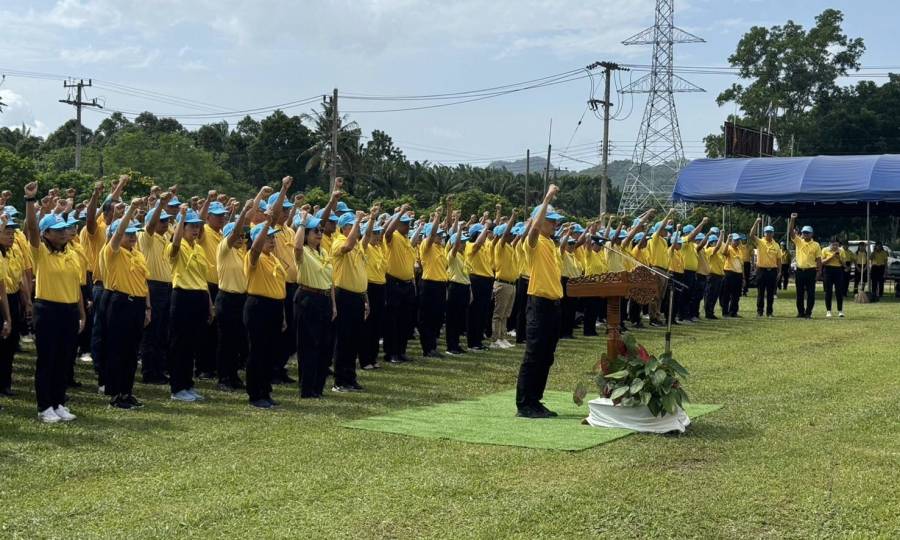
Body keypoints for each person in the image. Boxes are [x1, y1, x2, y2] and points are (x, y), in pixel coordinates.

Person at [24, 181, 85, 423]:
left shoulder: (70, 253)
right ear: (46, 234)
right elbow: (30, 228)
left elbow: (76, 287)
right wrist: (30, 200)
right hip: (48, 309)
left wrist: (81, 313)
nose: (63, 233)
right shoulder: (41, 252)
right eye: (58, 230)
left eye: (65, 230)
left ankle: (59, 402)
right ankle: (44, 406)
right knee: (47, 359)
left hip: (69, 310)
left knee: (64, 358)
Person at [515, 184, 565, 419]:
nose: (555, 224)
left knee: (547, 355)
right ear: (539, 220)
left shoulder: (552, 244)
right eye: (551, 220)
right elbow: (533, 229)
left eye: (555, 221)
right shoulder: (532, 242)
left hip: (553, 304)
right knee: (534, 354)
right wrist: (546, 198)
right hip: (539, 303)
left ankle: (536, 400)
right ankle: (524, 403)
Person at [100, 202, 150, 410]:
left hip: (137, 304)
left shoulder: (137, 254)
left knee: (131, 351)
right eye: (127, 233)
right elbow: (118, 233)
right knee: (117, 350)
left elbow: (143, 281)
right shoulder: (112, 251)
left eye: (134, 233)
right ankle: (115, 393)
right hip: (119, 301)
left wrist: (148, 308)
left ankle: (127, 392)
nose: (132, 236)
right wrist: (129, 212)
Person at [166, 204, 212, 402]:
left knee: (192, 344)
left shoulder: (199, 248)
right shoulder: (176, 246)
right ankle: (177, 388)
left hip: (199, 296)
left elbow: (203, 278)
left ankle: (188, 384)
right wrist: (181, 216)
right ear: (182, 227)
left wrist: (209, 303)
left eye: (197, 226)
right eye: (191, 226)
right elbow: (175, 245)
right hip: (183, 296)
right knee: (180, 344)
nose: (196, 229)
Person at [215, 198, 256, 391]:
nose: (241, 238)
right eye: (238, 236)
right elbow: (238, 229)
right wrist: (245, 209)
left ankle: (233, 375)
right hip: (227, 298)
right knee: (227, 341)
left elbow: (247, 227)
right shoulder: (224, 249)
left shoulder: (242, 252)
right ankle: (224, 377)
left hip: (242, 299)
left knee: (240, 340)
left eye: (243, 237)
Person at [293, 210, 335, 398]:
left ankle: (318, 387)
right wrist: (302, 223)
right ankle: (307, 388)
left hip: (324, 299)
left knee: (325, 346)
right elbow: (296, 247)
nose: (319, 233)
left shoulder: (323, 251)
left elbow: (330, 280)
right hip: (308, 298)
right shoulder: (303, 252)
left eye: (320, 230)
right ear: (306, 234)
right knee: (309, 345)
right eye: (314, 230)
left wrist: (333, 305)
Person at [244, 218, 285, 409]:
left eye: (273, 238)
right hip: (258, 306)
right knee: (258, 351)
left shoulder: (274, 258)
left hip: (275, 307)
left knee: (270, 351)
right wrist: (266, 224)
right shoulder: (254, 257)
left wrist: (282, 314)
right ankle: (255, 393)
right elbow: (254, 250)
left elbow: (278, 287)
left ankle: (265, 390)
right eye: (268, 237)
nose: (272, 240)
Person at [330, 209, 370, 392]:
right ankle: (340, 380)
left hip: (358, 296)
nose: (357, 228)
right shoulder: (338, 242)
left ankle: (350, 377)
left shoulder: (358, 245)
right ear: (344, 228)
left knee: (354, 339)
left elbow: (362, 273)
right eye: (352, 225)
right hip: (344, 295)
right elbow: (347, 246)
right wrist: (358, 221)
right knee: (344, 339)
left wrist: (365, 299)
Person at [138, 194, 174, 385]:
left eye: (167, 220)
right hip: (153, 287)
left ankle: (160, 369)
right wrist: (160, 204)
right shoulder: (146, 236)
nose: (165, 223)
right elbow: (151, 225)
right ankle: (150, 371)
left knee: (163, 331)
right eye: (162, 221)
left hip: (166, 288)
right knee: (152, 332)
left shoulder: (165, 238)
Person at [383, 205, 418, 363]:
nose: (408, 226)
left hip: (407, 284)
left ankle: (401, 351)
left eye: (408, 223)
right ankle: (391, 353)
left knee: (405, 320)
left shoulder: (406, 239)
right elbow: (387, 232)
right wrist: (400, 212)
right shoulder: (393, 236)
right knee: (392, 320)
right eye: (405, 223)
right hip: (394, 283)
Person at [0, 214, 26, 399]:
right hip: (3, 301)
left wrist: (27, 301)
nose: (11, 236)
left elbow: (19, 280)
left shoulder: (13, 253)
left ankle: (5, 383)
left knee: (9, 346)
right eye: (7, 233)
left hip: (13, 298)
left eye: (12, 233)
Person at [418, 207, 449, 357]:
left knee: (437, 317)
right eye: (437, 234)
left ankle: (433, 346)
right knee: (427, 318)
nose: (440, 237)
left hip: (440, 285)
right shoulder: (426, 245)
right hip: (429, 285)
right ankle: (427, 348)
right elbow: (430, 236)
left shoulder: (440, 248)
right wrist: (437, 217)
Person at [359, 216, 386, 370]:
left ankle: (373, 357)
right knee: (367, 326)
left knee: (377, 325)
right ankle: (365, 359)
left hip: (380, 287)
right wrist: (372, 218)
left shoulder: (378, 248)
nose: (377, 236)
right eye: (374, 233)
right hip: (369, 287)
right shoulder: (364, 247)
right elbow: (365, 238)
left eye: (378, 233)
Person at [490, 210, 518, 349]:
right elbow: (506, 233)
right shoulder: (499, 246)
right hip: (502, 284)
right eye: (509, 233)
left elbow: (518, 236)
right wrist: (512, 217)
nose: (512, 235)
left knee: (506, 314)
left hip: (511, 285)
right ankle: (495, 339)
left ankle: (503, 337)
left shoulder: (509, 246)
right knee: (499, 313)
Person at [464, 219, 493, 351]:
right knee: (475, 312)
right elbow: (477, 243)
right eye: (481, 233)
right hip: (476, 280)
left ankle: (478, 340)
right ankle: (472, 342)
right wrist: (486, 226)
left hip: (486, 281)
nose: (485, 235)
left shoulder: (484, 247)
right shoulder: (470, 245)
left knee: (483, 312)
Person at [787, 214, 822, 319]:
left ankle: (808, 313)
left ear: (812, 234)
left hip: (811, 271)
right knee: (799, 293)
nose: (805, 234)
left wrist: (819, 272)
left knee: (811, 293)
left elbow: (819, 259)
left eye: (807, 233)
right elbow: (791, 233)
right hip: (799, 271)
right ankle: (800, 312)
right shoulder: (799, 242)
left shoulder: (816, 245)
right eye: (804, 232)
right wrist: (793, 219)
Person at [445, 225, 470, 356]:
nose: (464, 244)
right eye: (462, 242)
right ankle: (451, 346)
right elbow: (454, 247)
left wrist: (470, 290)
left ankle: (457, 344)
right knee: (452, 319)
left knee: (460, 319)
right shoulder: (452, 254)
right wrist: (459, 230)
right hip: (455, 287)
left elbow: (466, 275)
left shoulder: (462, 256)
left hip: (464, 288)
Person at [749, 219, 782, 317]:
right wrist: (756, 223)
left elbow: (779, 260)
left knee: (771, 293)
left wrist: (779, 272)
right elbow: (751, 235)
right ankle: (760, 311)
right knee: (761, 292)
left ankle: (769, 312)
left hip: (772, 271)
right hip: (761, 270)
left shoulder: (776, 245)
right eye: (767, 232)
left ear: (773, 233)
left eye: (771, 232)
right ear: (764, 233)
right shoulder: (760, 242)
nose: (769, 234)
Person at [720, 233, 744, 318]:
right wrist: (727, 240)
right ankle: (725, 312)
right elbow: (724, 252)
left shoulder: (739, 250)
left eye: (738, 240)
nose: (737, 242)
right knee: (726, 294)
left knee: (736, 295)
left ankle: (733, 312)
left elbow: (742, 264)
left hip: (738, 274)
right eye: (735, 240)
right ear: (731, 241)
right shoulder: (729, 248)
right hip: (729, 273)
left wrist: (743, 277)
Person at [821, 239, 845, 318]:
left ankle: (840, 311)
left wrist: (838, 258)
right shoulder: (825, 250)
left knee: (839, 291)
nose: (835, 247)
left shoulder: (841, 251)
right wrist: (832, 256)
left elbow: (844, 264)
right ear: (830, 244)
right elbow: (822, 262)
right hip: (828, 270)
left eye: (837, 245)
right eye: (833, 245)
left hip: (838, 271)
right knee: (828, 291)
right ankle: (828, 311)